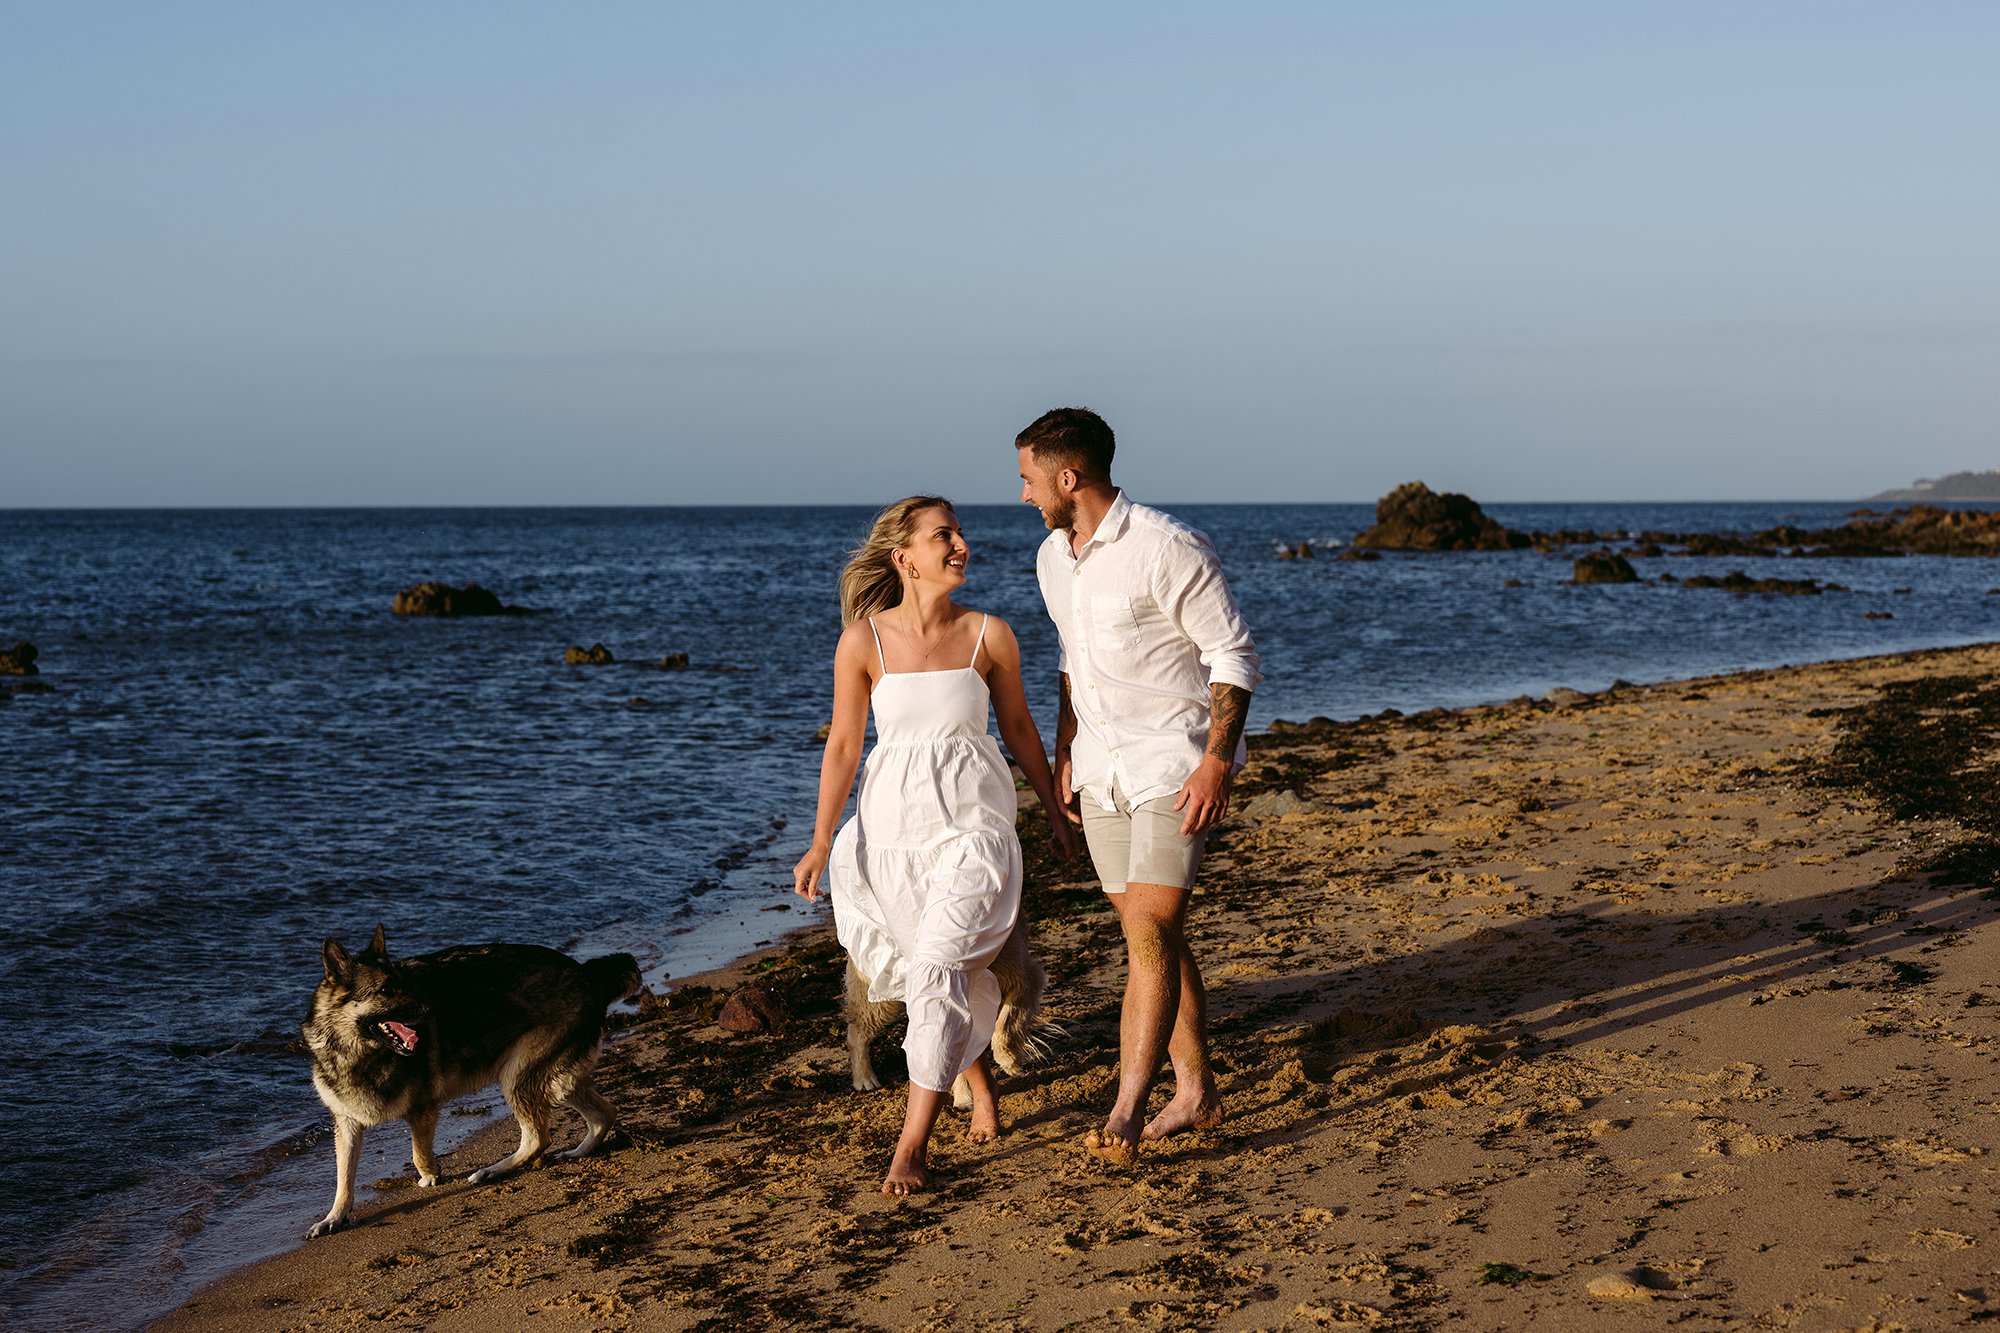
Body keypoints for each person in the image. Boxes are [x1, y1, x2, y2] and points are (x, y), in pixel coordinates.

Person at [793, 495, 1077, 1194]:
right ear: (904, 557)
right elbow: (843, 746)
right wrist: (821, 838)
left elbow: (1020, 731)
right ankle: (979, 1089)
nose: (960, 545)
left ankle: (911, 1144)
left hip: (974, 830)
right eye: (942, 535)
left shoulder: (991, 635)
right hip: (893, 835)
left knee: (942, 962)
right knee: (932, 974)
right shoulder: (864, 640)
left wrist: (1055, 812)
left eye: (958, 533)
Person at [1015, 407, 1260, 1164]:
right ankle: (1196, 1088)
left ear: (1068, 475)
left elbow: (1233, 654)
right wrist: (1063, 750)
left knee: (1148, 932)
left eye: (1028, 478)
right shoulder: (1052, 558)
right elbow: (1069, 657)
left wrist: (1216, 760)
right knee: (1148, 932)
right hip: (1099, 771)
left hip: (1172, 767)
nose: (1022, 493)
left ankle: (1124, 1108)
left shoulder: (1167, 547)